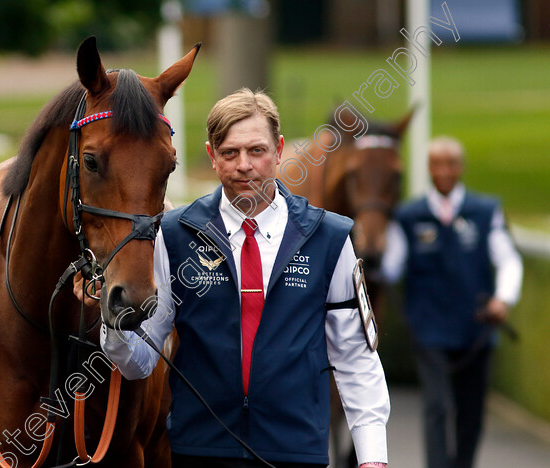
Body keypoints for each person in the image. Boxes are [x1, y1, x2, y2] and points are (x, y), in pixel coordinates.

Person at [96, 89, 390, 467]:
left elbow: (355, 358)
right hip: (200, 450)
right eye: (230, 153)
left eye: (257, 151)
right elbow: (138, 362)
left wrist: (373, 458)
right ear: (211, 157)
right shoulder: (174, 235)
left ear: (279, 150)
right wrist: (114, 322)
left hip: (295, 451)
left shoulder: (328, 237)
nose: (244, 165)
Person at [381, 136, 523, 468]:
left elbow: (508, 260)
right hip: (428, 325)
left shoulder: (485, 211)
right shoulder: (409, 216)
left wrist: (503, 299)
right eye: (437, 164)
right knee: (437, 405)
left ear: (461, 167)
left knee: (471, 410)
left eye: (450, 163)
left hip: (475, 326)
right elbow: (390, 267)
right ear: (429, 167)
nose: (444, 171)